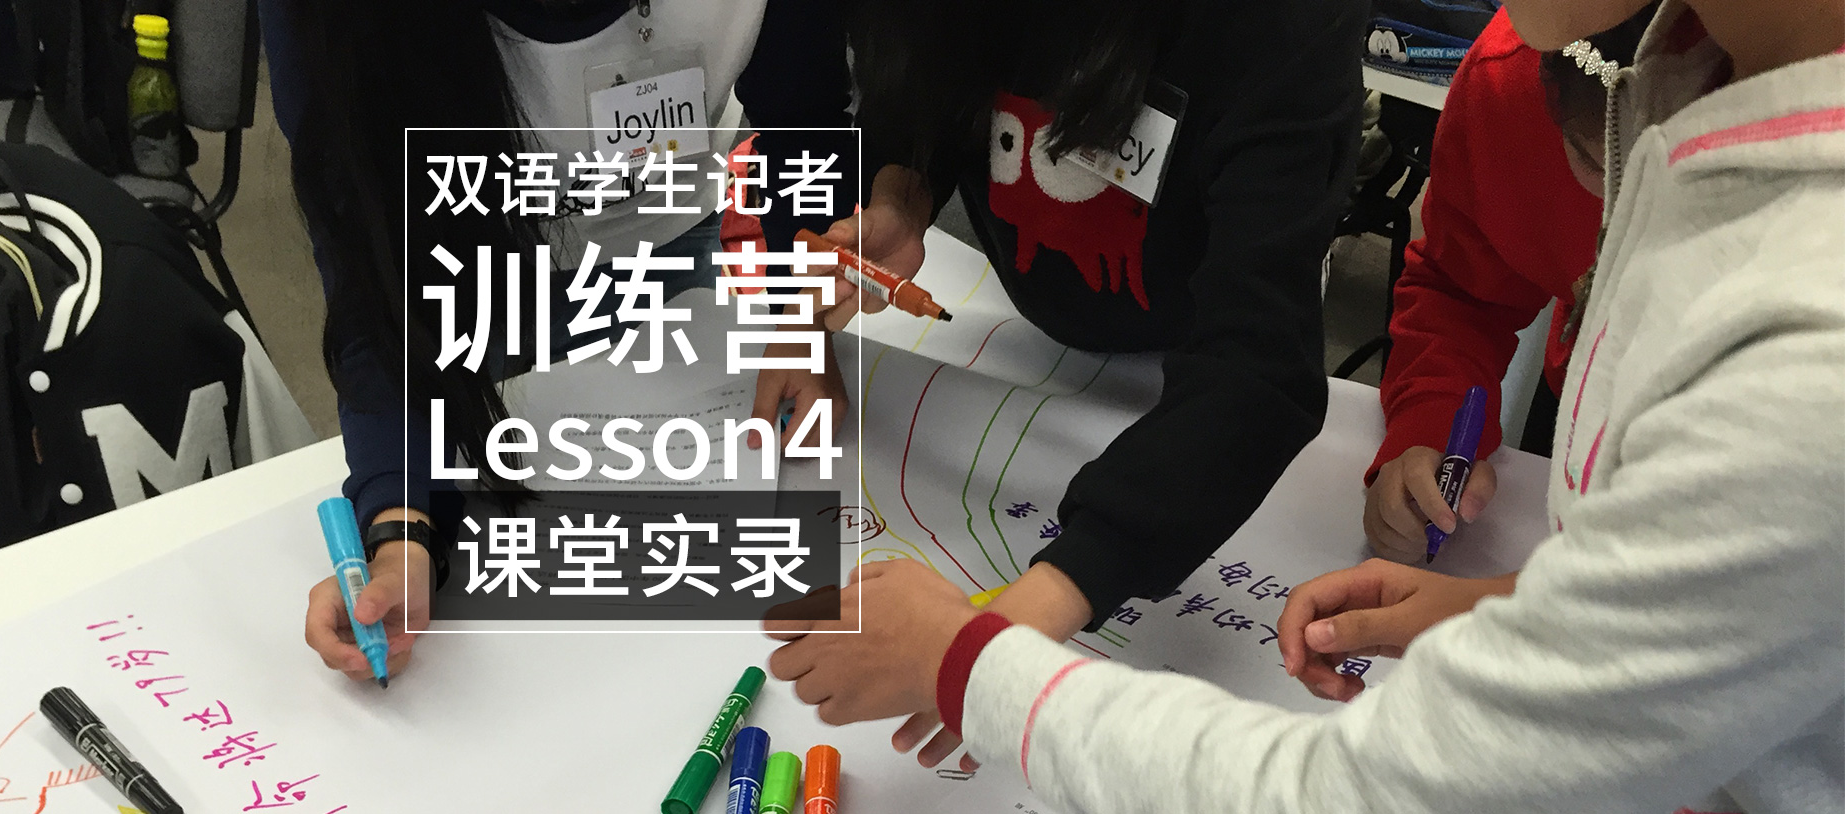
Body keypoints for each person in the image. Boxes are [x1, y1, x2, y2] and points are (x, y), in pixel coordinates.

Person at [766, 1, 1845, 811]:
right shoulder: (1693, 86)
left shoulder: (1803, 352)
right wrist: (1520, 608)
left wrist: (974, 665)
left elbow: (1361, 790)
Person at [768, 0, 1366, 766]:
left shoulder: (1282, 25)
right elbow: (924, 95)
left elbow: (1261, 362)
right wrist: (899, 201)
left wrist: (1014, 628)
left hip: (1196, 362)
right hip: (1033, 349)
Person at [259, 0, 857, 680]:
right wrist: (400, 529)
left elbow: (804, 121)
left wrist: (804, 317)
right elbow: (374, 270)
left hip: (671, 226)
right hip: (471, 263)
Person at [1363, 5, 1654, 563]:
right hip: (1584, 404)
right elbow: (1462, 293)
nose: (1627, 209)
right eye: (1600, 164)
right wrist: (1431, 425)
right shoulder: (1514, 78)